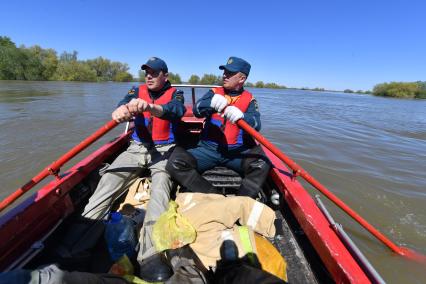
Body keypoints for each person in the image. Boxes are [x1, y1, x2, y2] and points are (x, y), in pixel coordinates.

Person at [61, 57, 186, 263]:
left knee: (160, 190)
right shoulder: (136, 90)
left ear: (165, 76)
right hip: (136, 148)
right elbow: (123, 104)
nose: (149, 76)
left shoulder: (176, 93)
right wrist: (120, 110)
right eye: (146, 72)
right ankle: (75, 247)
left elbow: (177, 110)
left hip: (163, 151)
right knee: (107, 183)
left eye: (154, 73)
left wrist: (150, 108)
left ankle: (151, 255)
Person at [166, 56, 270, 198]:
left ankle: (241, 202)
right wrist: (210, 104)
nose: (224, 75)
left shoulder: (250, 100)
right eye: (224, 71)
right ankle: (213, 196)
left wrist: (243, 117)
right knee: (175, 163)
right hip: (208, 149)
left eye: (230, 73)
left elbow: (257, 124)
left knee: (262, 164)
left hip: (236, 153)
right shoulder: (214, 93)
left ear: (242, 79)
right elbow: (197, 110)